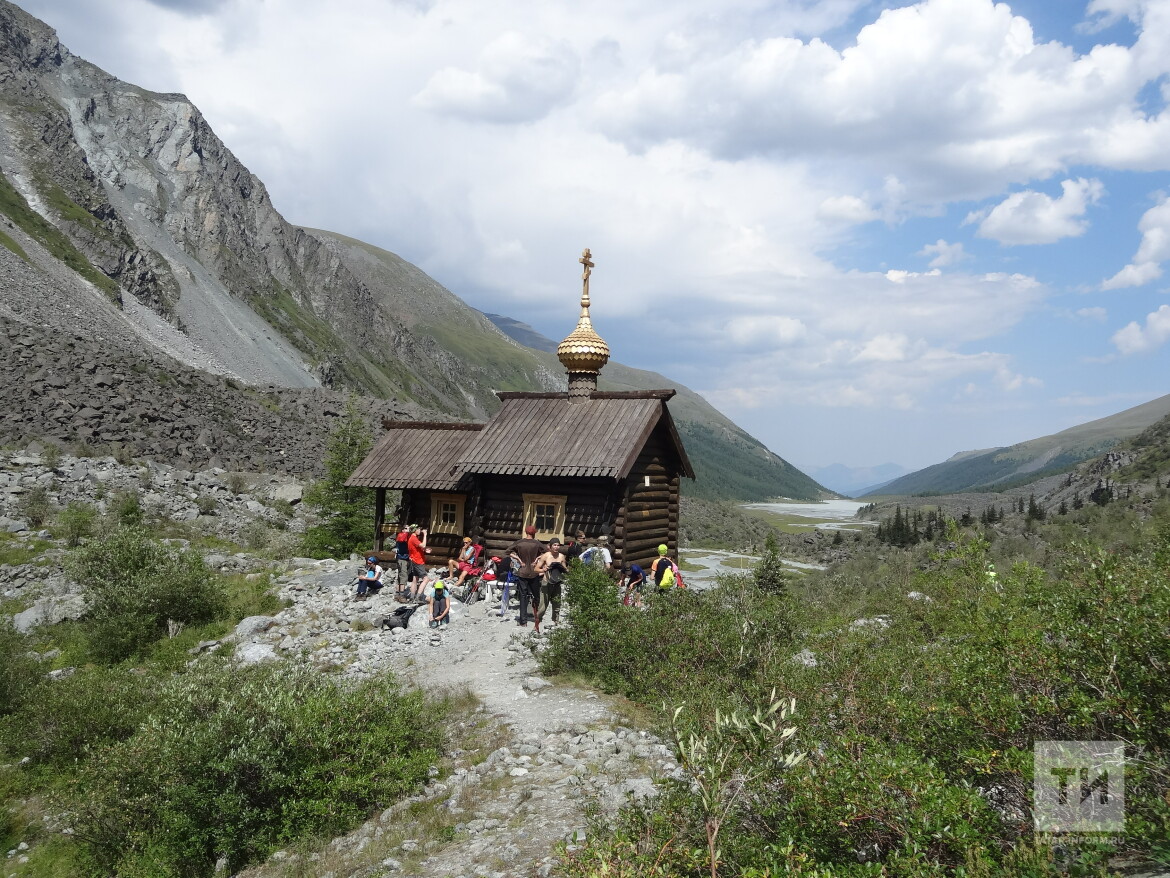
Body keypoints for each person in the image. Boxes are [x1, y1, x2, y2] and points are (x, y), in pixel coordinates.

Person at [507, 524, 546, 626]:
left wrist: (518, 559)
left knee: (523, 597)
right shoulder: (537, 543)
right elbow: (546, 552)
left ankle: (523, 621)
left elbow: (508, 551)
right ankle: (537, 617)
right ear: (534, 533)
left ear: (526, 532)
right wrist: (537, 559)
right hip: (534, 572)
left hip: (522, 572)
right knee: (536, 596)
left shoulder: (519, 543)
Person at [533, 538, 568, 632]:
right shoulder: (545, 556)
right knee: (543, 607)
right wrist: (543, 570)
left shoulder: (561, 556)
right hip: (546, 583)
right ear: (550, 546)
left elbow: (565, 569)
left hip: (557, 583)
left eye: (558, 545)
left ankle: (555, 624)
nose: (556, 547)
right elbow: (536, 569)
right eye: (554, 545)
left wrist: (565, 570)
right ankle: (536, 625)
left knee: (557, 605)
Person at [407, 524, 431, 601]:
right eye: (418, 529)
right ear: (415, 530)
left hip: (414, 560)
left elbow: (418, 548)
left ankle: (412, 597)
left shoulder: (412, 538)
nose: (420, 531)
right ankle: (418, 597)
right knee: (426, 579)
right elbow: (423, 545)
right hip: (418, 561)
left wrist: (424, 550)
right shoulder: (414, 538)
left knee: (415, 579)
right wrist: (425, 535)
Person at [394, 525, 411, 599]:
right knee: (403, 576)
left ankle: (397, 593)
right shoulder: (401, 535)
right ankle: (401, 595)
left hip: (405, 558)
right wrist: (406, 533)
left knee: (400, 576)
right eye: (406, 528)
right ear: (402, 530)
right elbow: (401, 540)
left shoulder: (407, 536)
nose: (408, 530)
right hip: (401, 558)